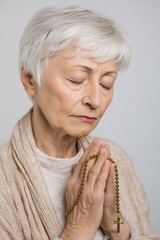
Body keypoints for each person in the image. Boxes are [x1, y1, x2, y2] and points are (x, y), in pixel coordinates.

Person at [0, 5, 159, 240]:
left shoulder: (117, 159)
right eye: (77, 79)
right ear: (30, 79)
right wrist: (78, 229)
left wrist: (117, 227)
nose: (96, 100)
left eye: (106, 84)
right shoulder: (4, 179)